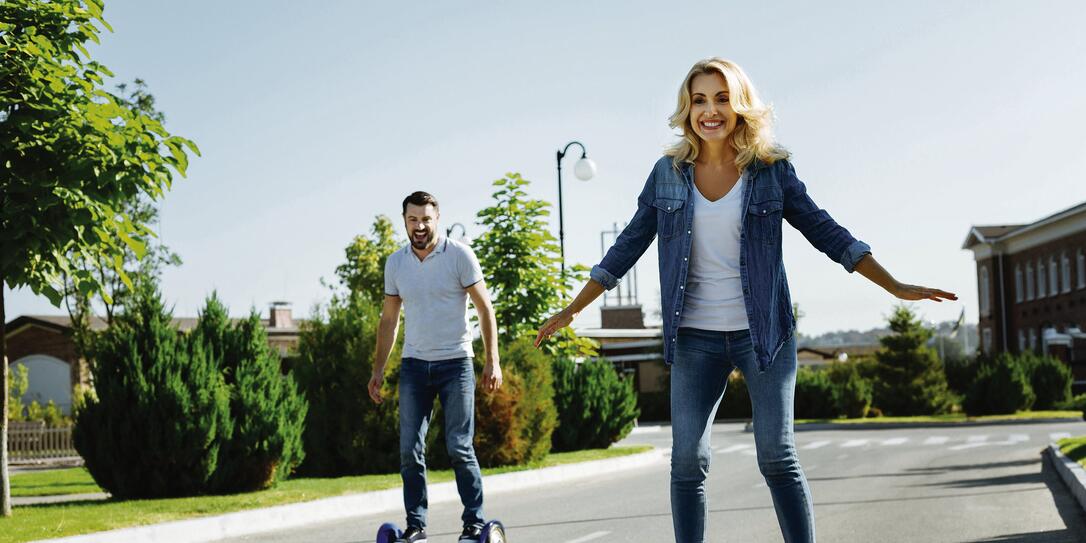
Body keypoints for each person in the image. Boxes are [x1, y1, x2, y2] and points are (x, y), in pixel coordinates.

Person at [535, 58, 956, 543]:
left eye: (721, 98)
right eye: (699, 100)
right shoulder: (666, 174)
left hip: (765, 335)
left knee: (777, 455)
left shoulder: (771, 173)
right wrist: (575, 307)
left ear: (739, 107)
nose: (709, 110)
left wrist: (894, 285)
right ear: (686, 109)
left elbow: (826, 232)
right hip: (694, 337)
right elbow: (628, 244)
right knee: (688, 461)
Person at [369, 191, 503, 543]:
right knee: (409, 450)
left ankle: (474, 522)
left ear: (437, 218)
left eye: (426, 219)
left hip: (456, 363)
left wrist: (492, 361)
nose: (420, 226)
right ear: (404, 221)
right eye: (413, 219)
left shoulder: (459, 255)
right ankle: (416, 526)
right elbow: (389, 320)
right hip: (414, 366)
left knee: (459, 446)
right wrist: (378, 370)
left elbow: (485, 309)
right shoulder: (396, 264)